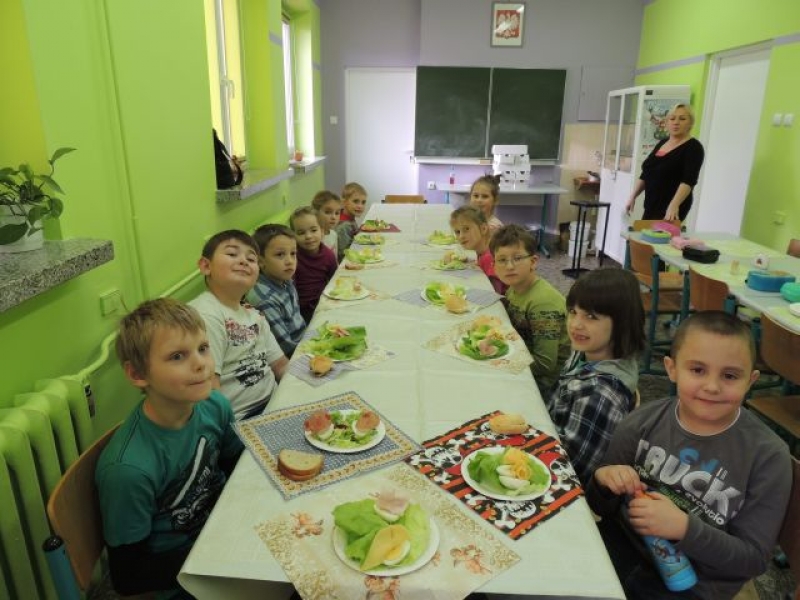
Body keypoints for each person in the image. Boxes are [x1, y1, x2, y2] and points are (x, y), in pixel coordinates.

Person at [586, 311, 792, 600]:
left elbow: (753, 560)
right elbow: (598, 504)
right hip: (618, 549)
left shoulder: (768, 456)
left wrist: (685, 529)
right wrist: (604, 480)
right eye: (697, 370)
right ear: (671, 369)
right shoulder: (642, 422)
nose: (712, 386)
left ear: (751, 380)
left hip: (695, 586)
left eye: (730, 376)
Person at [96, 298, 243, 599]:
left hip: (224, 528)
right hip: (183, 577)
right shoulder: (127, 470)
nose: (201, 363)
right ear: (137, 374)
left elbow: (237, 465)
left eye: (203, 348)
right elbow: (128, 575)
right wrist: (220, 553)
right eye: (177, 356)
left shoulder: (215, 405)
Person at [545, 268, 645, 484]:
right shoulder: (589, 350)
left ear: (621, 323)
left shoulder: (600, 394)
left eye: (591, 316)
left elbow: (567, 467)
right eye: (573, 311)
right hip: (550, 429)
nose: (575, 324)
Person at [189, 229, 288, 420]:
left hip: (276, 402)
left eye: (251, 259)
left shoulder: (254, 315)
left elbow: (281, 365)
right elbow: (210, 388)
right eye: (232, 254)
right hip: (242, 417)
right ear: (206, 266)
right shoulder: (205, 314)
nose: (243, 261)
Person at [489, 224, 569, 394]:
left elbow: (545, 365)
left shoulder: (543, 303)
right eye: (502, 260)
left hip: (545, 385)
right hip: (521, 358)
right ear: (493, 265)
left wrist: (495, 361)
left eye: (517, 258)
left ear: (533, 262)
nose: (509, 266)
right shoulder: (513, 288)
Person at [625, 103, 705, 222]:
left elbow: (688, 181)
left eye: (682, 119)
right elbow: (647, 172)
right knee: (645, 233)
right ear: (667, 122)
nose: (676, 122)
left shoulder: (694, 147)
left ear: (690, 123)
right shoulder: (662, 143)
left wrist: (674, 205)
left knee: (659, 234)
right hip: (652, 204)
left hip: (671, 208)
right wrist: (633, 196)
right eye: (672, 118)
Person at [248, 223, 306, 357]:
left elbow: (298, 321)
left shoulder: (284, 279)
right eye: (280, 254)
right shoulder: (265, 300)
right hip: (293, 355)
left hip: (302, 341)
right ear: (260, 261)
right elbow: (286, 347)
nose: (290, 261)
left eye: (293, 253)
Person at [291, 206, 338, 322]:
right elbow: (291, 290)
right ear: (293, 236)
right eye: (301, 233)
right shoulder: (293, 257)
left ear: (322, 231)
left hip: (323, 304)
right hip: (300, 310)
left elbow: (335, 281)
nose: (308, 236)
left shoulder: (328, 255)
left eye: (313, 230)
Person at [450, 206, 507, 294]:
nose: (461, 236)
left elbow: (494, 293)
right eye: (457, 232)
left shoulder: (489, 257)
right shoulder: (482, 251)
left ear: (483, 229)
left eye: (466, 229)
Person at [336, 181, 368, 260]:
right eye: (355, 201)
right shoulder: (343, 226)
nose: (360, 206)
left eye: (363, 202)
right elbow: (343, 254)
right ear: (344, 202)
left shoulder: (349, 218)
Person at [312, 190, 343, 259]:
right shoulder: (314, 238)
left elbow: (335, 258)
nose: (333, 217)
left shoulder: (334, 234)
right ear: (315, 213)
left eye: (337, 213)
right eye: (328, 212)